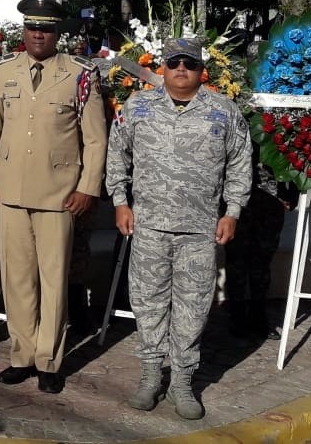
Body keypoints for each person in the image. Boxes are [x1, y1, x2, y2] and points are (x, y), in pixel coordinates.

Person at [106, 37, 251, 420]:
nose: (181, 69)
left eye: (188, 62)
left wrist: (232, 211)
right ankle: (152, 373)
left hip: (199, 229)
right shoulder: (138, 107)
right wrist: (120, 202)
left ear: (202, 69)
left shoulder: (223, 111)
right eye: (173, 63)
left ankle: (183, 381)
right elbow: (117, 154)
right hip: (149, 225)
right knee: (148, 302)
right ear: (163, 68)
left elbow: (239, 163)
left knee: (193, 307)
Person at [0, 0, 107, 393]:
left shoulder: (79, 73)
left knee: (53, 280)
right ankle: (22, 354)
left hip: (58, 194)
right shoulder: (3, 70)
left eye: (47, 28)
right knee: (16, 279)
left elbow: (96, 138)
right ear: (23, 30)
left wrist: (88, 187)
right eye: (32, 27)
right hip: (12, 190)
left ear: (57, 33)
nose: (38, 34)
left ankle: (49, 359)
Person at [224, 149, 292, 340]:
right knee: (236, 259)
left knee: (263, 260)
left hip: (272, 197)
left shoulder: (277, 119)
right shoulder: (237, 120)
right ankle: (236, 316)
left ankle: (258, 316)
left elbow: (292, 154)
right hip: (238, 197)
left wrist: (291, 191)